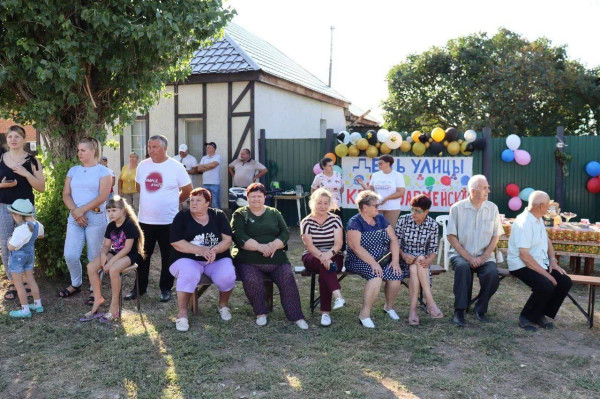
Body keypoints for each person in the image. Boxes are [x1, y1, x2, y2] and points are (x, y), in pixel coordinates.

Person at [231, 183, 308, 329]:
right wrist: (260, 247)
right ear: (247, 197)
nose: (256, 199)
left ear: (264, 197)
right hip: (249, 259)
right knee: (252, 279)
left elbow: (285, 233)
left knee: (288, 278)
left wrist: (274, 245)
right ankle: (261, 313)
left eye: (259, 196)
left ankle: (296, 316)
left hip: (276, 258)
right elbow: (238, 234)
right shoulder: (240, 214)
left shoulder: (274, 212)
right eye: (252, 196)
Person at [127, 135, 192, 302]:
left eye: (155, 147)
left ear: (164, 148)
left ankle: (165, 288)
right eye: (149, 147)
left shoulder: (176, 167)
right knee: (142, 256)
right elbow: (139, 187)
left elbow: (187, 190)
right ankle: (139, 289)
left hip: (168, 221)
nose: (151, 150)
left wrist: (173, 201)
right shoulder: (143, 166)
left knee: (168, 256)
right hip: (145, 221)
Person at [169, 188, 236, 331]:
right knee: (189, 274)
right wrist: (200, 250)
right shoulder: (182, 217)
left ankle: (223, 305)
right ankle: (182, 313)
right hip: (186, 258)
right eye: (191, 200)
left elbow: (227, 240)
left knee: (228, 276)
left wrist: (214, 250)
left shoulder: (218, 215)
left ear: (207, 203)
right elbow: (176, 242)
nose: (193, 203)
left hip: (216, 258)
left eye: (198, 200)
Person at [507, 191, 572, 331]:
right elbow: (524, 255)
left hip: (538, 262)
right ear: (541, 206)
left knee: (565, 281)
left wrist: (553, 261)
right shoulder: (524, 221)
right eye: (548, 205)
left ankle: (539, 313)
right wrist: (547, 274)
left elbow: (547, 241)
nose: (549, 207)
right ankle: (526, 317)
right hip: (521, 264)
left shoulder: (538, 218)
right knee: (546, 284)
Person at [447, 175, 503, 327]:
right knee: (463, 268)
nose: (488, 191)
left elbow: (496, 235)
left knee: (492, 275)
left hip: (484, 256)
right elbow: (451, 236)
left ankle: (480, 308)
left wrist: (485, 256)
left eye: (487, 188)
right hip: (461, 255)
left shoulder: (492, 208)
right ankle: (459, 310)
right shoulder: (457, 208)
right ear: (473, 191)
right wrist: (469, 258)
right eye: (484, 188)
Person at [61, 137, 112, 298]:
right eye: (78, 150)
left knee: (94, 256)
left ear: (93, 151)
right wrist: (76, 211)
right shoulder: (73, 170)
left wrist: (82, 210)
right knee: (70, 254)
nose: (79, 153)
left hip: (95, 217)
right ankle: (76, 283)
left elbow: (103, 196)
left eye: (83, 150)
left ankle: (94, 288)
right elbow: (66, 194)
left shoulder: (104, 172)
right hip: (75, 217)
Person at [345, 190, 402, 328]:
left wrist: (395, 261)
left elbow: (393, 239)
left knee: (395, 275)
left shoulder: (380, 219)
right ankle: (364, 314)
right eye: (376, 205)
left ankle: (388, 307)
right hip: (359, 260)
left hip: (382, 259)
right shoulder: (355, 222)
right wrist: (373, 264)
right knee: (376, 275)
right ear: (365, 207)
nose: (378, 208)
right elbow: (356, 247)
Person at [81, 196, 144, 323]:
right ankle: (98, 298)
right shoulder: (111, 226)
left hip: (129, 255)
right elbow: (106, 245)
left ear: (123, 211)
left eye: (114, 210)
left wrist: (110, 262)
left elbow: (127, 249)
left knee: (113, 269)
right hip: (115, 252)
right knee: (91, 266)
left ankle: (114, 306)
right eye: (108, 211)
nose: (111, 214)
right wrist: (104, 255)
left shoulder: (130, 225)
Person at [0, 125, 45, 301]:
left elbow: (41, 187)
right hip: (3, 207)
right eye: (10, 136)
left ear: (24, 139)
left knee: (26, 243)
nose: (13, 139)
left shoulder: (33, 161)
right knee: (6, 245)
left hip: (26, 210)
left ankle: (27, 280)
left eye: (17, 136)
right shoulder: (0, 158)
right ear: (7, 139)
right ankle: (13, 282)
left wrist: (26, 173)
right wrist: (4, 185)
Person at [395, 194, 443, 325]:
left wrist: (429, 260)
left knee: (416, 265)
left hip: (420, 265)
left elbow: (433, 249)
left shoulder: (432, 225)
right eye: (412, 209)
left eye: (417, 211)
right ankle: (430, 302)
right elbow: (396, 244)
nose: (413, 213)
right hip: (403, 261)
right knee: (416, 263)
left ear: (426, 212)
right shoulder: (403, 220)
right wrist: (404, 256)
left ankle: (413, 310)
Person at [300, 188, 345, 326]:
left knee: (326, 268)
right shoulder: (306, 222)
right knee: (324, 264)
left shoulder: (335, 219)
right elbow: (309, 246)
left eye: (326, 203)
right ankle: (337, 297)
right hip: (312, 256)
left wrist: (328, 255)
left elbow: (338, 243)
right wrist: (322, 256)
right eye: (319, 203)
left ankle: (326, 313)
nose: (323, 206)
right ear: (313, 203)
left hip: (333, 254)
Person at [6, 199, 45, 318]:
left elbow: (11, 247)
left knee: (18, 284)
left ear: (18, 215)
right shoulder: (37, 225)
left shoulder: (21, 229)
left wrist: (8, 240)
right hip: (30, 255)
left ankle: (25, 310)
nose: (12, 216)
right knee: (30, 279)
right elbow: (41, 236)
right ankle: (38, 305)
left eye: (12, 214)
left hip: (18, 258)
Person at [355, 155, 405, 226]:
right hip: (376, 207)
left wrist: (386, 199)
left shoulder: (398, 175)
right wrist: (362, 184)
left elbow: (401, 192)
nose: (379, 165)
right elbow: (370, 191)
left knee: (389, 229)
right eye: (378, 163)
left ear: (388, 164)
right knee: (376, 228)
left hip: (392, 208)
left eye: (381, 163)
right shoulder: (375, 175)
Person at [197, 142, 222, 208]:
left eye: (209, 147)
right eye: (207, 147)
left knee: (215, 203)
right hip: (205, 183)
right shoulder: (204, 158)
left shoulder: (217, 156)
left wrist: (203, 166)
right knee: (206, 203)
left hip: (215, 184)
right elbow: (199, 169)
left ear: (214, 148)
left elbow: (213, 165)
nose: (207, 149)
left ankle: (217, 217)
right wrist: (209, 166)